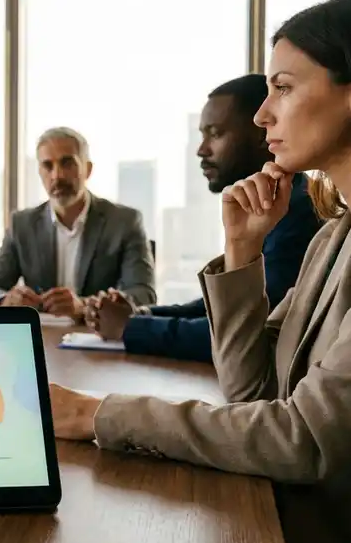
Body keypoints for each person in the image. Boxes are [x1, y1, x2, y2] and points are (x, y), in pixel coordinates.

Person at [49, 0, 351, 543]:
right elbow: (253, 394)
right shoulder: (338, 231)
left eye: (284, 88)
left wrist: (94, 414)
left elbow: (304, 438)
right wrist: (242, 249)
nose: (262, 114)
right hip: (310, 527)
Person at [85, 74, 322, 362]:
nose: (201, 149)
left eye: (215, 133)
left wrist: (131, 327)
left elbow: (243, 331)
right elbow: (225, 307)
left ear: (263, 134)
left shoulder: (299, 212)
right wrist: (142, 314)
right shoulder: (271, 203)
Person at [0, 126, 156, 316]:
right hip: (43, 338)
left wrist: (84, 306)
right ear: (40, 173)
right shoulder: (22, 225)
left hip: (100, 339)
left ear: (87, 169)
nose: (57, 176)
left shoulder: (124, 222)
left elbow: (143, 294)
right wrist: (5, 300)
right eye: (48, 166)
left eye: (67, 163)